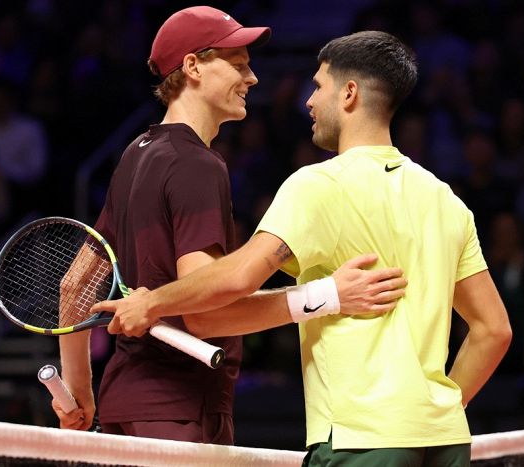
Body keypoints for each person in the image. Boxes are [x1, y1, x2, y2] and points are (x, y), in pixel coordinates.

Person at [92, 31, 512, 465]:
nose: (309, 102)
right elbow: (494, 330)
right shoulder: (446, 200)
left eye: (318, 86)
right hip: (445, 440)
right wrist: (438, 411)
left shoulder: (317, 185)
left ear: (349, 94)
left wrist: (152, 302)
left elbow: (235, 280)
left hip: (360, 437)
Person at [54, 8, 406, 446]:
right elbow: (206, 312)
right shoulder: (197, 164)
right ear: (193, 66)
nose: (252, 78)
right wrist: (327, 296)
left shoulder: (135, 154)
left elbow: (74, 286)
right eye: (238, 65)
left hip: (123, 406)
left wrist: (80, 392)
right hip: (180, 411)